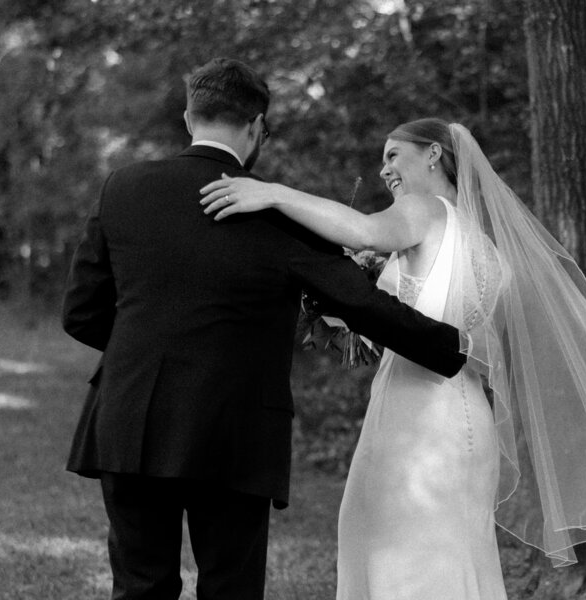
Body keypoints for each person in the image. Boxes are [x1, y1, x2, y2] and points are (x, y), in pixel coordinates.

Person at [200, 117, 586, 599]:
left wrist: (270, 193)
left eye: (393, 155)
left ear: (432, 156)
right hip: (467, 420)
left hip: (417, 423)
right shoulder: (487, 247)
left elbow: (360, 231)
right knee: (450, 560)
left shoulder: (423, 211)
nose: (384, 169)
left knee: (393, 555)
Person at [61, 60, 469, 600]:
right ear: (255, 126)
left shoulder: (124, 187)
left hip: (130, 414)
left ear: (189, 118)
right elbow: (362, 303)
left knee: (139, 586)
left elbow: (81, 313)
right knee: (231, 588)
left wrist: (147, 351)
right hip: (235, 427)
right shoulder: (278, 209)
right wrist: (452, 347)